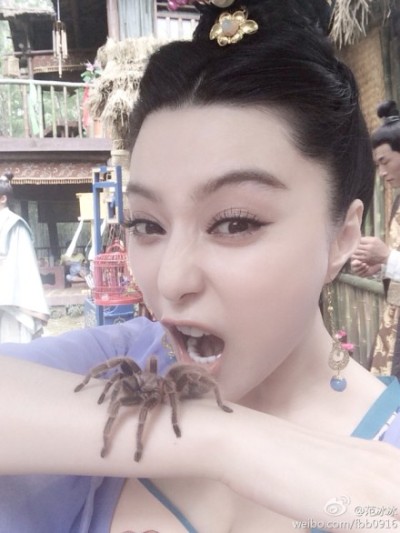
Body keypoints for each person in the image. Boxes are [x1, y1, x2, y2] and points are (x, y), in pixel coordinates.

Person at [0, 1, 400, 532]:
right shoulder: (127, 363)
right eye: (146, 224)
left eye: (234, 223)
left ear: (342, 237)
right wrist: (226, 440)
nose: (170, 281)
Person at [351, 100, 400, 379]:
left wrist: (387, 257)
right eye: (377, 165)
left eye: (384, 162)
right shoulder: (398, 203)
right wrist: (378, 267)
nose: (381, 173)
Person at [0, 171, 49, 342]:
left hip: (11, 295)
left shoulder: (15, 225)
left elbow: (24, 265)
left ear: (3, 198)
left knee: (12, 341)